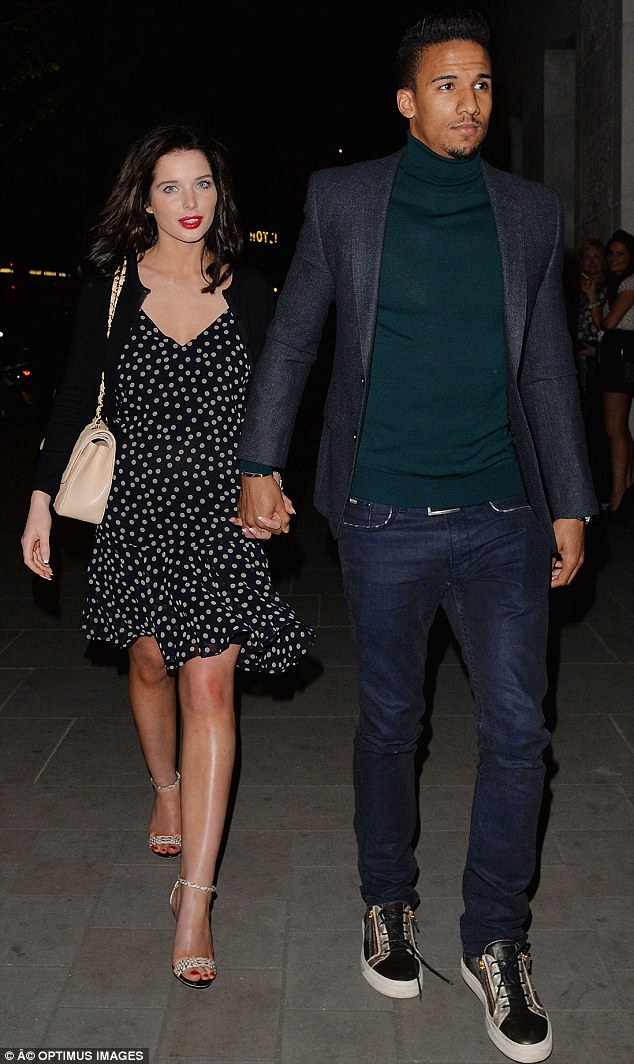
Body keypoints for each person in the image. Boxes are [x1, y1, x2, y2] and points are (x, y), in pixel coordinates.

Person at [235, 8, 597, 1062]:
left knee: (519, 731)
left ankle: (495, 939)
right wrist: (259, 462)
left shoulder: (529, 212)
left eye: (481, 84)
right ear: (406, 100)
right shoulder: (344, 200)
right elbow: (295, 336)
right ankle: (385, 901)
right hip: (383, 512)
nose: (469, 102)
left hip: (504, 514)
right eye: (447, 84)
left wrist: (570, 498)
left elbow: (546, 363)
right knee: (392, 724)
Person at [21, 124, 314, 989]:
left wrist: (270, 480)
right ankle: (164, 783)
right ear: (143, 200)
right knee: (149, 662)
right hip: (139, 511)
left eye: (203, 185)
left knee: (210, 686)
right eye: (171, 187)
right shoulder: (112, 290)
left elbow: (276, 400)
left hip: (222, 517)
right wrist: (39, 500)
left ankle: (196, 898)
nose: (191, 203)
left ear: (220, 195)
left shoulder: (250, 289)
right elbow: (75, 398)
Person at [583, 228, 634, 520]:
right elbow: (600, 322)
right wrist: (592, 295)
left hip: (621, 357)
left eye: (620, 253)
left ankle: (617, 499)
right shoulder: (617, 284)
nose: (614, 258)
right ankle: (624, 494)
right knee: (619, 429)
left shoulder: (630, 282)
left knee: (614, 429)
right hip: (615, 355)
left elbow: (608, 324)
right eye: (611, 253)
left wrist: (598, 310)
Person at [575, 238, 610, 504]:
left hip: (603, 364)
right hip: (577, 364)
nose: (592, 263)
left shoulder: (610, 289)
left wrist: (598, 351)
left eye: (597, 257)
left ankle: (604, 490)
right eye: (587, 257)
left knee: (601, 427)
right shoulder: (573, 289)